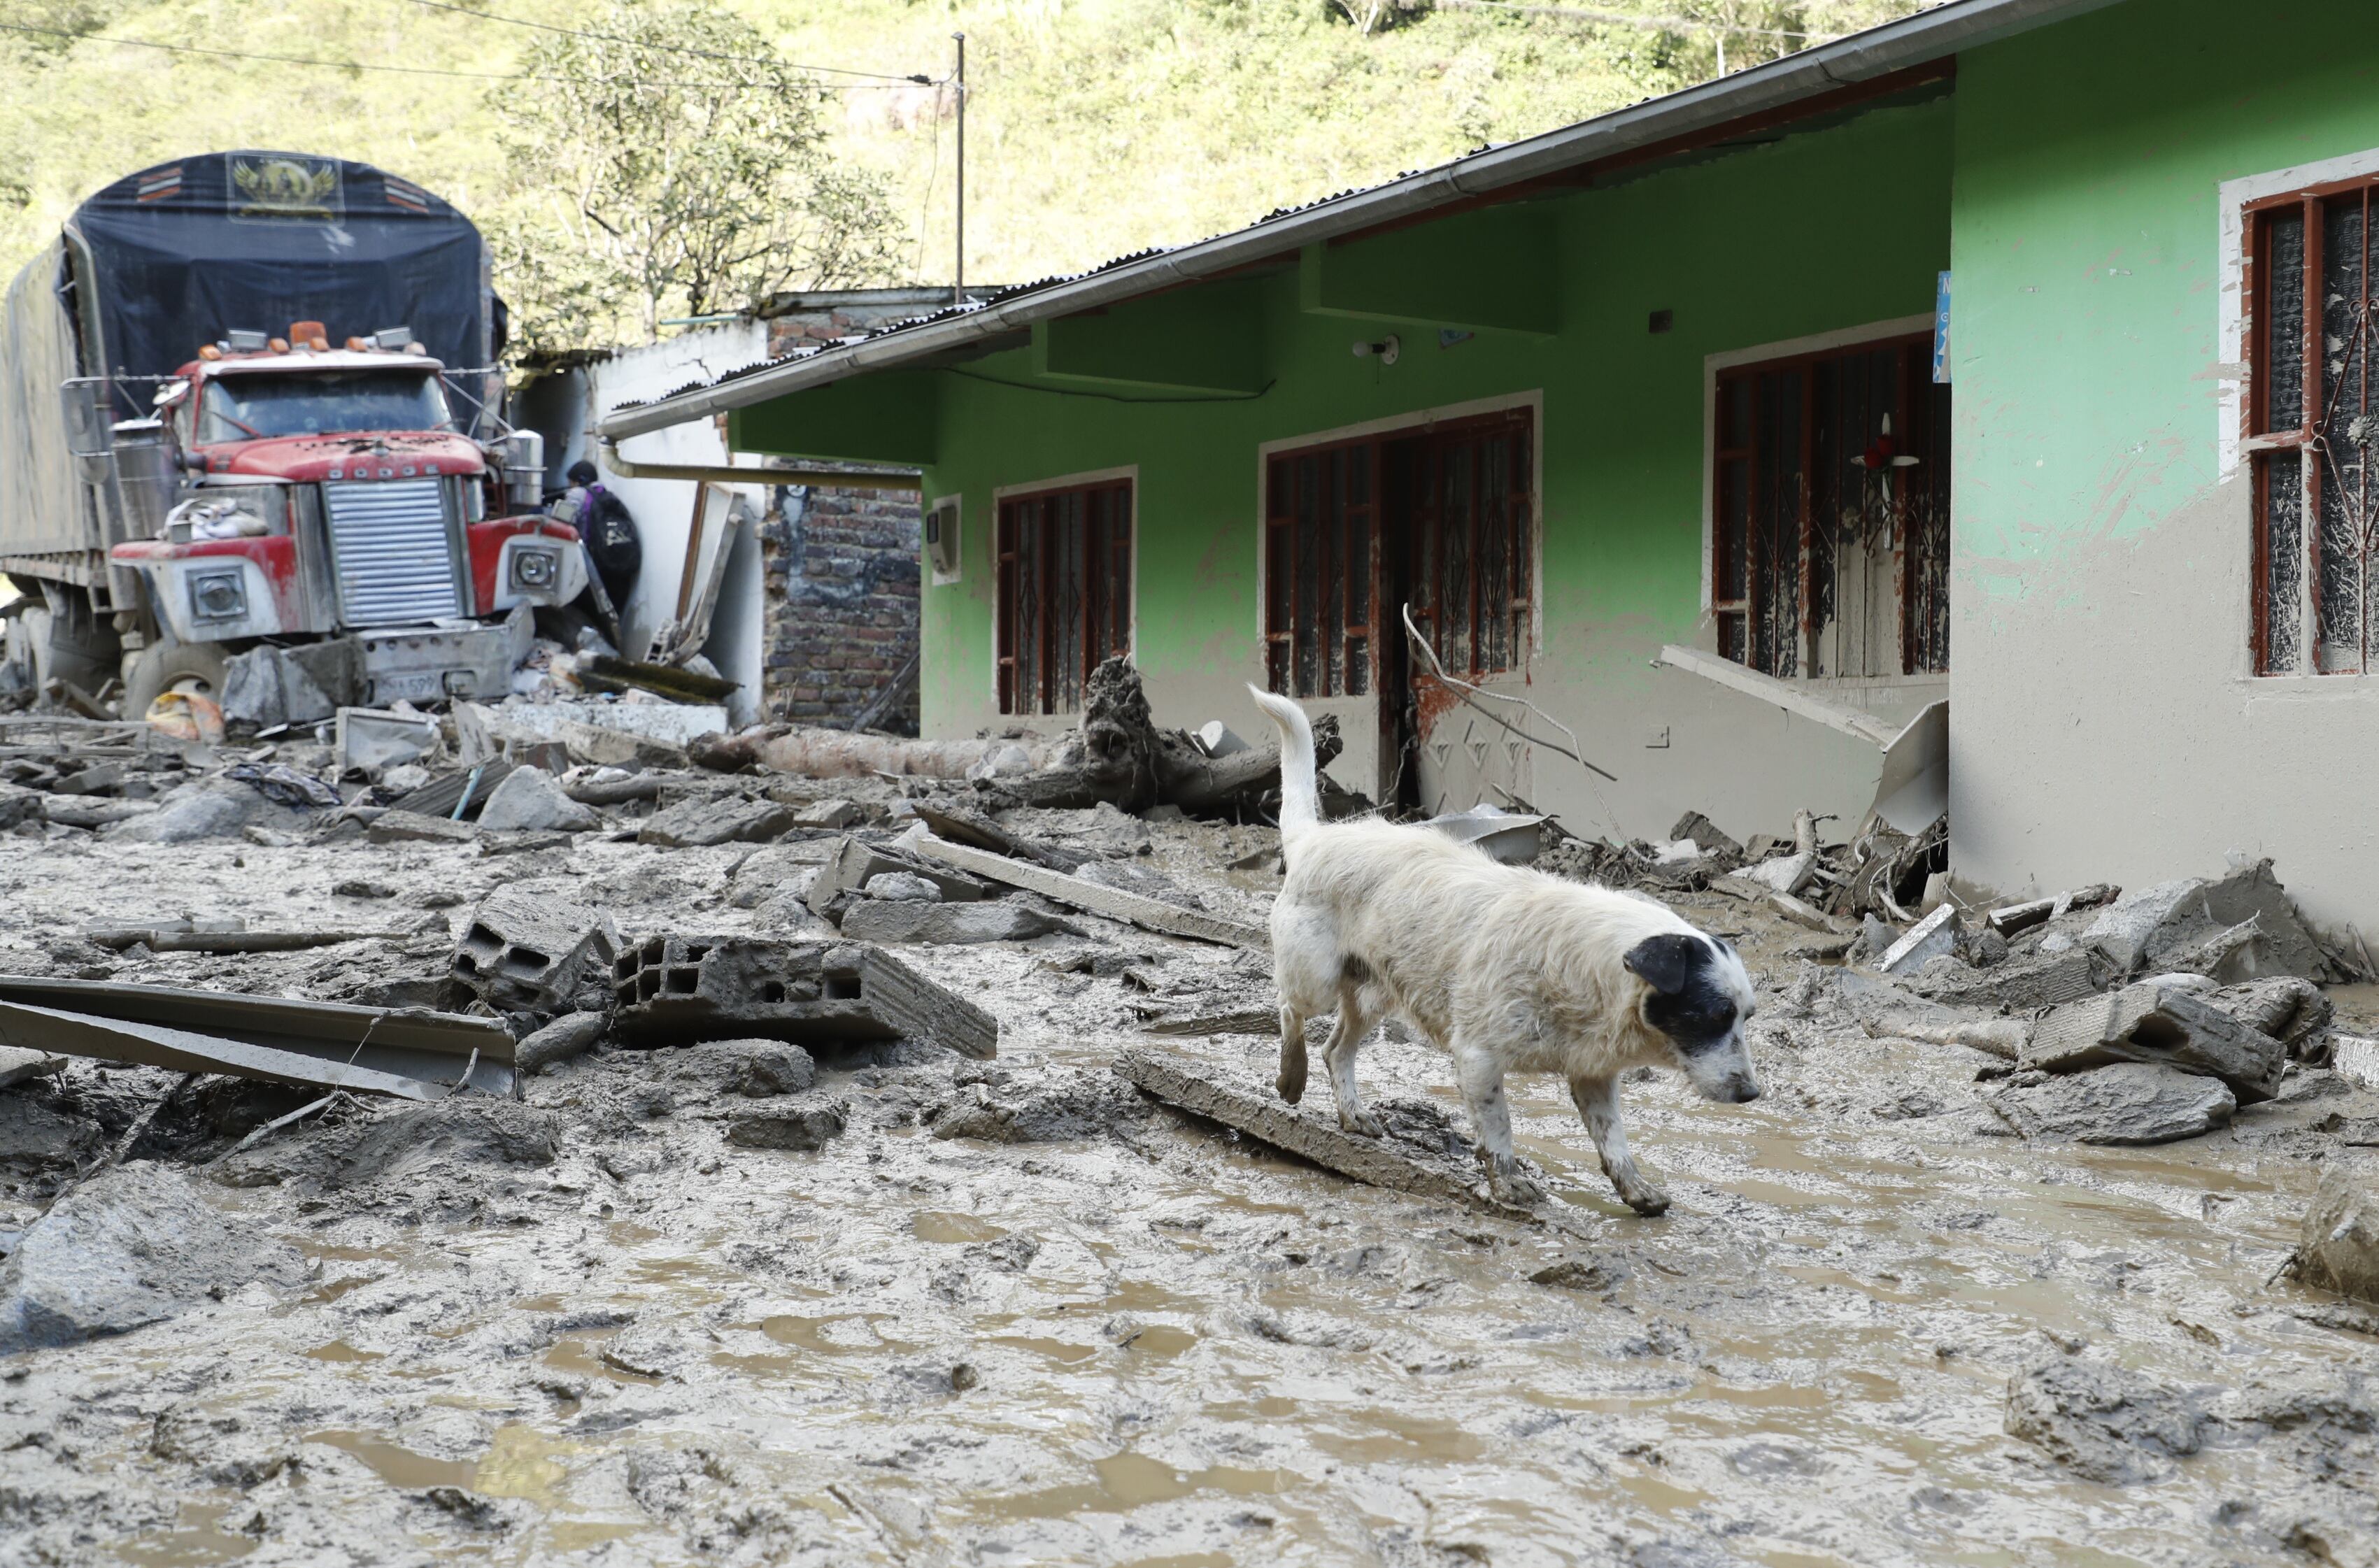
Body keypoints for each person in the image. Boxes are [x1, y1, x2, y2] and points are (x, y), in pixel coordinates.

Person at [555, 459, 642, 611]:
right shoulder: (608, 496)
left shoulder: (577, 494)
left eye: (571, 483)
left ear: (578, 481)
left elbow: (559, 524)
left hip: (590, 566)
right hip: (614, 566)